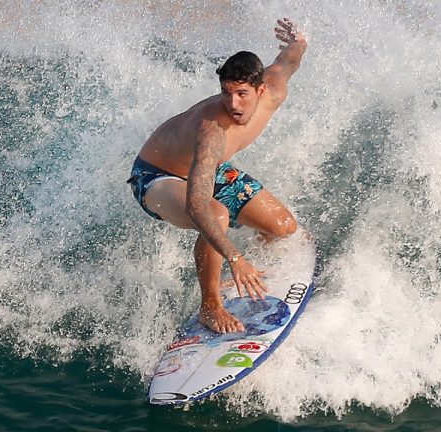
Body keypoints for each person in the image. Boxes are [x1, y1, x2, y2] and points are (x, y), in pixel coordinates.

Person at [128, 18, 307, 334]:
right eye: (226, 93)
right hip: (157, 176)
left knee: (283, 227)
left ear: (261, 88)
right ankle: (210, 306)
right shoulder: (212, 131)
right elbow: (198, 207)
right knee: (215, 214)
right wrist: (235, 257)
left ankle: (240, 268)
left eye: (241, 94)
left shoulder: (275, 89)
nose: (233, 104)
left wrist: (298, 39)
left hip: (206, 168)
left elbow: (288, 59)